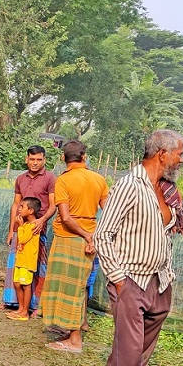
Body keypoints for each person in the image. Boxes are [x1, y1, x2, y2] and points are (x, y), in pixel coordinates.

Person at [95, 130, 183, 366]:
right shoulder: (129, 186)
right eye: (179, 154)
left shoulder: (166, 189)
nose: (181, 159)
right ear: (162, 154)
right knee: (128, 353)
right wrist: (118, 279)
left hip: (160, 281)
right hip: (131, 281)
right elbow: (103, 234)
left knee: (142, 354)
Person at [41, 140, 108, 354]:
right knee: (78, 286)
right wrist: (92, 237)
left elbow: (66, 217)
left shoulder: (63, 180)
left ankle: (75, 340)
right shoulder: (99, 179)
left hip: (68, 238)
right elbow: (109, 213)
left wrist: (87, 236)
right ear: (84, 157)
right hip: (88, 239)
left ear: (63, 158)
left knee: (69, 289)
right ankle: (71, 331)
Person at [0, 145, 57, 316]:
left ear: (44, 160)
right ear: (26, 159)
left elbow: (53, 205)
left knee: (38, 268)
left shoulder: (50, 178)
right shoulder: (20, 179)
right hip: (19, 229)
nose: (35, 162)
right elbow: (16, 204)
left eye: (39, 159)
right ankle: (12, 301)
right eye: (32, 159)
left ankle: (36, 306)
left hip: (37, 231)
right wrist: (11, 230)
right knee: (16, 266)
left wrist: (42, 220)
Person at [7, 197, 42, 321]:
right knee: (17, 284)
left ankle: (25, 312)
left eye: (22, 207)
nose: (19, 209)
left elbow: (23, 239)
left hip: (27, 262)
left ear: (31, 210)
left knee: (26, 285)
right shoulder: (26, 224)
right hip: (20, 260)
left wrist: (20, 226)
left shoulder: (34, 225)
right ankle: (21, 309)